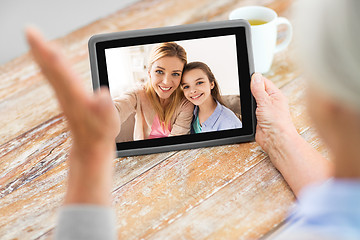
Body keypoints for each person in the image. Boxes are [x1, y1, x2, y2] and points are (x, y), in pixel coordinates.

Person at [25, 0, 360, 238]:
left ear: (331, 102)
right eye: (162, 74)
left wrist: (89, 155)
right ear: (148, 71)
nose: (170, 84)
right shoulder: (139, 96)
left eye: (178, 77)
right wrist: (281, 136)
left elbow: (188, 126)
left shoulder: (186, 105)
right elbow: (118, 110)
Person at [112, 42, 194, 141]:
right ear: (149, 72)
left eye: (175, 74)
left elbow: (176, 143)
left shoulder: (185, 103)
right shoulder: (138, 94)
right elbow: (118, 107)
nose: (166, 82)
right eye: (159, 72)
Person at [181, 61, 242, 133]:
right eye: (186, 86)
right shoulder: (190, 112)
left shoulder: (229, 123)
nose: (192, 91)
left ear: (211, 84)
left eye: (199, 83)